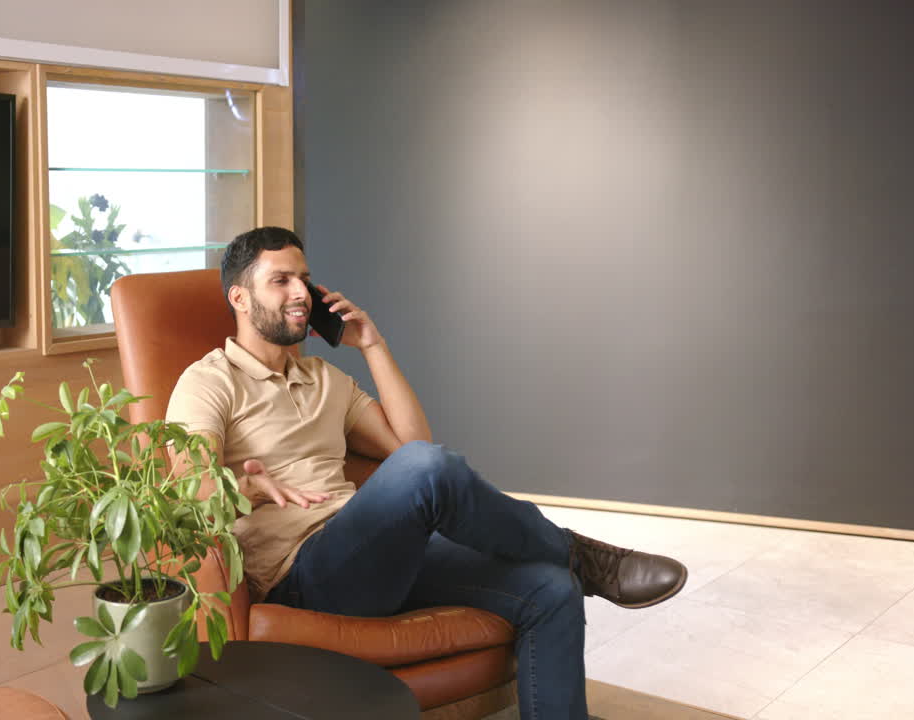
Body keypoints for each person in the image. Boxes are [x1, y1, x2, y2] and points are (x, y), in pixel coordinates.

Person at [166, 226, 687, 720]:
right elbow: (191, 488)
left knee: (550, 587)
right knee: (427, 468)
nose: (301, 292)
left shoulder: (323, 377)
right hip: (302, 572)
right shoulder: (208, 383)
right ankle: (590, 558)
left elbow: (410, 447)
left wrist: (373, 345)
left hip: (376, 551)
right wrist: (250, 485)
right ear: (239, 298)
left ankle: (573, 571)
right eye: (280, 280)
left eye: (303, 277)